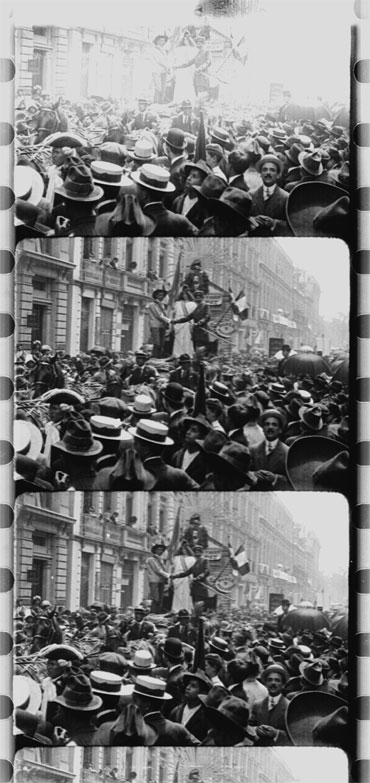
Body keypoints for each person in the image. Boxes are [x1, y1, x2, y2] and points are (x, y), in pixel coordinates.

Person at [249, 409, 291, 490]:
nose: (270, 427)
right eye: (267, 424)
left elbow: (291, 481)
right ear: (263, 429)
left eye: (274, 425)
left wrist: (275, 478)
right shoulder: (253, 449)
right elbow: (246, 473)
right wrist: (254, 474)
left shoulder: (287, 452)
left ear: (280, 430)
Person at [249, 664, 291, 745]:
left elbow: (294, 736)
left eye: (277, 680)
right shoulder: (257, 704)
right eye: (269, 680)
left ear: (283, 685)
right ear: (265, 684)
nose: (273, 683)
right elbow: (249, 726)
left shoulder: (289, 707)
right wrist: (256, 730)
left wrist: (277, 733)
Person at [250, 155, 290, 236]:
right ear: (260, 174)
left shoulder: (286, 198)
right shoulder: (251, 194)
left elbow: (291, 226)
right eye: (264, 170)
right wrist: (251, 220)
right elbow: (244, 218)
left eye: (272, 170)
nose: (268, 173)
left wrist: (274, 223)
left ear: (278, 175)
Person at [146, 540, 169, 613]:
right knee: (156, 598)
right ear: (155, 550)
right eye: (159, 550)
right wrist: (169, 576)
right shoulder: (151, 559)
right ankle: (154, 612)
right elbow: (158, 570)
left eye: (162, 550)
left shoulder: (160, 559)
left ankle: (158, 612)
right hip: (154, 581)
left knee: (160, 598)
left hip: (161, 581)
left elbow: (163, 569)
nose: (161, 551)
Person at [147, 289, 170, 359]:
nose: (162, 297)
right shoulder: (152, 304)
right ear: (156, 296)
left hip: (162, 326)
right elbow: (159, 315)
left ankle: (160, 356)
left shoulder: (162, 305)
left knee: (162, 343)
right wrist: (169, 320)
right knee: (157, 343)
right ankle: (155, 356)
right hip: (155, 325)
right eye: (160, 295)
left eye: (163, 295)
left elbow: (165, 314)